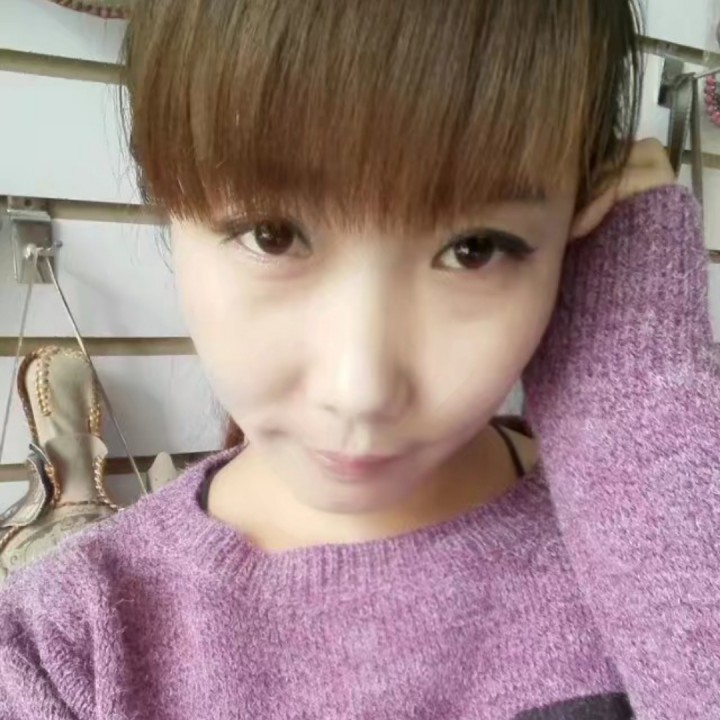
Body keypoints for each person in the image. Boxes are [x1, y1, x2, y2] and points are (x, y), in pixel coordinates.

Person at [1, 0, 718, 718]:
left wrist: (637, 381)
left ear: (581, 225)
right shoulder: (58, 656)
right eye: (273, 235)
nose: (361, 390)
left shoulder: (669, 534)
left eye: (474, 249)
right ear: (162, 194)